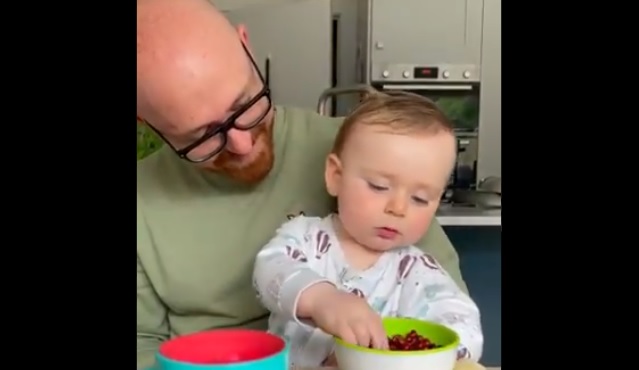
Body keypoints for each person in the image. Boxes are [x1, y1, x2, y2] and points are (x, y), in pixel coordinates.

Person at [136, 0, 470, 368]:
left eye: (245, 104)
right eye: (204, 136)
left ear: (247, 46)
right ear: (145, 122)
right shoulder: (143, 201)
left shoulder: (372, 152)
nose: (242, 144)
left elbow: (448, 322)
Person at [253, 92, 483, 368]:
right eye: (378, 186)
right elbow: (270, 270)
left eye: (420, 199)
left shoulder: (417, 271)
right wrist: (322, 299)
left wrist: (437, 354)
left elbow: (462, 320)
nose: (398, 208)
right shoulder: (305, 238)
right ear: (336, 176)